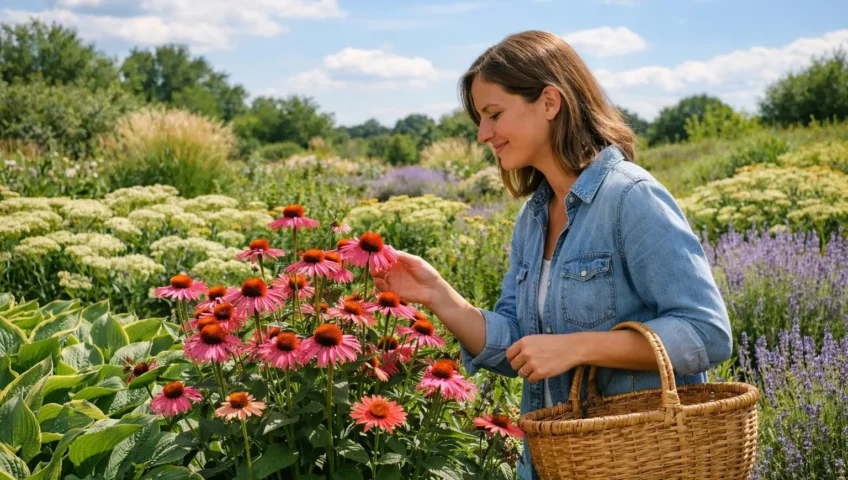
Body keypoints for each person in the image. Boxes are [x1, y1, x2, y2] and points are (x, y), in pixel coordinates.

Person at [370, 30, 732, 479]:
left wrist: (576, 348)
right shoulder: (534, 217)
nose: (484, 135)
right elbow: (520, 348)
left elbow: (707, 332)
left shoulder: (630, 197)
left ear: (548, 102)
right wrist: (440, 296)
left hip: (632, 461)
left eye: (493, 114)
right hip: (549, 465)